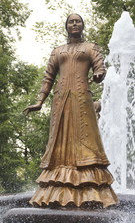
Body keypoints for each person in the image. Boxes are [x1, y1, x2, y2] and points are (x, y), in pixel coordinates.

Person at [24, 13, 119, 208]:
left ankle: (91, 188)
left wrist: (99, 74)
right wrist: (40, 101)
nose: (74, 24)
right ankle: (56, 188)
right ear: (66, 26)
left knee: (86, 137)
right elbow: (48, 77)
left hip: (83, 98)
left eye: (78, 21)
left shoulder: (91, 47)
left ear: (82, 25)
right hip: (61, 101)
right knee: (60, 138)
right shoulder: (58, 51)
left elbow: (99, 67)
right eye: (71, 21)